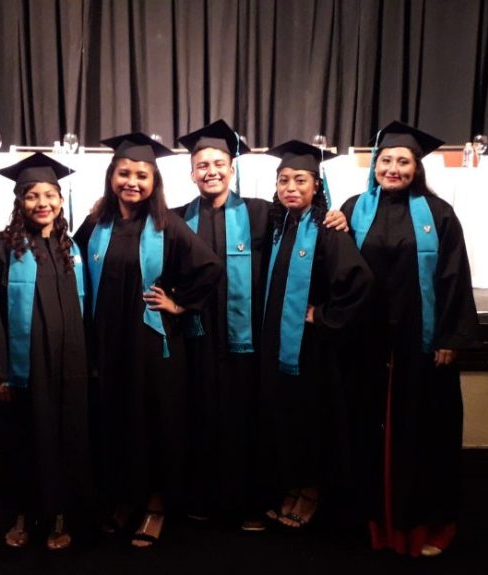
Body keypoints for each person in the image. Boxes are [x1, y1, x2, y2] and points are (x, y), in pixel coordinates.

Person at [172, 120, 352, 530]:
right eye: (202, 165)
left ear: (232, 168)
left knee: (247, 424)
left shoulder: (260, 213)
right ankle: (203, 497)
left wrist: (337, 217)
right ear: (191, 172)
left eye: (219, 163)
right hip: (199, 342)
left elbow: (303, 230)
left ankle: (249, 502)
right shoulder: (176, 219)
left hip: (249, 344)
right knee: (201, 420)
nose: (211, 171)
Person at [73, 133, 222, 548]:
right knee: (117, 420)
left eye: (141, 174)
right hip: (108, 342)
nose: (132, 182)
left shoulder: (165, 224)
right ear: (111, 176)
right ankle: (125, 497)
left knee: (156, 422)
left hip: (151, 344)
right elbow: (73, 260)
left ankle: (157, 505)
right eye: (124, 173)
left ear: (154, 180)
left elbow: (210, 266)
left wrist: (179, 305)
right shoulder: (97, 223)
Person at [340, 121, 480, 557]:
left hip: (420, 348)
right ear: (375, 165)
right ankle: (375, 518)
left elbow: (454, 277)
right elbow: (337, 268)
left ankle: (428, 522)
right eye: (386, 161)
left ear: (416, 168)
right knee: (367, 433)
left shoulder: (438, 214)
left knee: (425, 434)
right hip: (368, 346)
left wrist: (448, 337)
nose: (393, 169)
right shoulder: (352, 208)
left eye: (403, 162)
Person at [0, 153, 93, 550]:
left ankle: (60, 514)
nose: (42, 202)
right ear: (20, 203)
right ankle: (23, 515)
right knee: (22, 442)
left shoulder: (72, 250)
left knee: (66, 439)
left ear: (60, 201)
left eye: (49, 194)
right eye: (32, 196)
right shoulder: (3, 249)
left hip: (68, 367)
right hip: (22, 370)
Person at [258, 140, 372, 530]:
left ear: (316, 186)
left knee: (310, 421)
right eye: (284, 180)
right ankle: (291, 484)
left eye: (300, 180)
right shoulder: (278, 226)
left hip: (312, 351)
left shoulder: (327, 228)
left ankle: (311, 491)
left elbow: (359, 281)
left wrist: (323, 316)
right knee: (284, 419)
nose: (291, 187)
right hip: (276, 345)